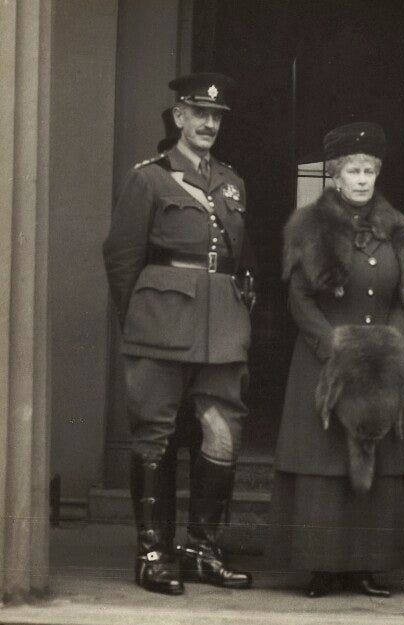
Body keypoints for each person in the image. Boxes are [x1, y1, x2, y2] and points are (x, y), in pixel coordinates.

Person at [103, 72, 256, 595]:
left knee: (223, 432)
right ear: (179, 118)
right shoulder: (149, 178)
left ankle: (201, 549)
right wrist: (143, 318)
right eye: (200, 114)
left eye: (216, 116)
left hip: (222, 328)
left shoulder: (233, 183)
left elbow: (239, 259)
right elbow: (121, 257)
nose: (209, 123)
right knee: (154, 434)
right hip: (162, 322)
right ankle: (151, 553)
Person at [272, 121, 404, 598]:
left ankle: (365, 566)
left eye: (368, 171)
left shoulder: (399, 229)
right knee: (326, 463)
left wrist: (391, 345)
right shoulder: (311, 226)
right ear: (335, 176)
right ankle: (322, 567)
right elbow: (299, 300)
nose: (361, 180)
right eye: (352, 171)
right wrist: (333, 346)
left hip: (381, 364)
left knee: (376, 462)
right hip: (327, 361)